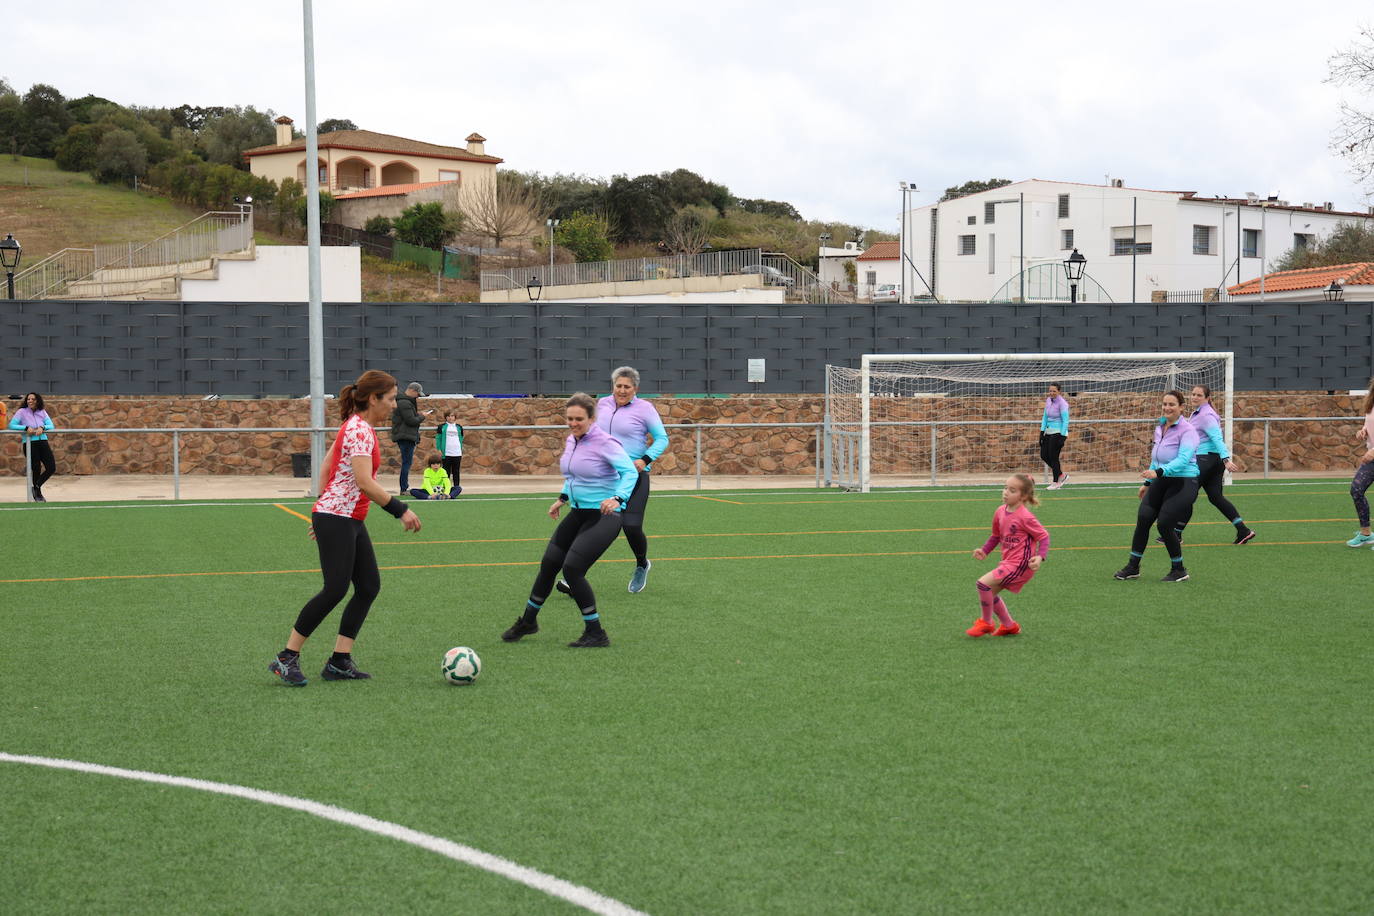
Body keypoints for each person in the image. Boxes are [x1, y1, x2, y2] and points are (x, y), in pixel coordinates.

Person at [269, 370, 422, 686]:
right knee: (335, 588)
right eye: (391, 399)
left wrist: (321, 512)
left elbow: (327, 467)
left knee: (368, 587)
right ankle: (286, 657)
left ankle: (339, 661)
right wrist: (400, 510)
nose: (395, 405)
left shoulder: (356, 427)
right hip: (339, 517)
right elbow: (365, 482)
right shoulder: (359, 430)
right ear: (373, 398)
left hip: (344, 517)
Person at [502, 393, 638, 649]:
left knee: (573, 568)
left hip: (604, 516)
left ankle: (596, 632)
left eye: (579, 419)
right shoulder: (571, 440)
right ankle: (528, 622)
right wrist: (562, 497)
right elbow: (574, 474)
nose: (573, 423)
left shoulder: (605, 442)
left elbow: (629, 471)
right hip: (577, 513)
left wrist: (618, 498)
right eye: (569, 418)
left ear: (591, 418)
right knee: (549, 563)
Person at [558, 366, 669, 595]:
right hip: (605, 476)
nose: (622, 390)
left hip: (634, 476)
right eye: (618, 385)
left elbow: (662, 438)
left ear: (635, 388)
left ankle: (641, 564)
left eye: (627, 386)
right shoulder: (602, 405)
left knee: (631, 526)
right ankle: (574, 575)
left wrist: (644, 459)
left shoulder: (645, 409)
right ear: (613, 386)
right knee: (594, 526)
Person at [1114, 390, 1200, 583]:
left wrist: (1158, 473)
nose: (1167, 408)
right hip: (1161, 480)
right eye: (1165, 404)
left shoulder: (1188, 430)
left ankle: (1179, 569)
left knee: (1164, 524)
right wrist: (1148, 482)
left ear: (1181, 407)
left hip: (1184, 482)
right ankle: (1132, 567)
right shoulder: (1160, 426)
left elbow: (1184, 459)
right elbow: (1157, 458)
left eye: (1172, 404)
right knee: (1144, 518)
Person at [1164, 386, 1255, 546]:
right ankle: (1243, 530)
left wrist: (1227, 459)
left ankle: (1176, 534)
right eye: (1193, 394)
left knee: (1186, 495)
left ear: (1207, 398)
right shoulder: (1199, 413)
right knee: (1216, 497)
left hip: (1205, 461)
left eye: (1199, 395)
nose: (1195, 397)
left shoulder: (1206, 415)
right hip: (1212, 462)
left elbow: (1217, 438)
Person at [967, 473, 1050, 637]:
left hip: (1021, 565)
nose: (1006, 492)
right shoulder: (999, 511)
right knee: (989, 593)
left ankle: (987, 622)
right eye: (1005, 488)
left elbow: (1044, 536)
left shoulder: (1025, 516)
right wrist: (985, 550)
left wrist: (1040, 556)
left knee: (982, 584)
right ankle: (1009, 625)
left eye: (1012, 490)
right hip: (1008, 563)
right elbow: (996, 536)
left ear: (1023, 496)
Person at [9, 392, 56, 502]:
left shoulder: (42, 412)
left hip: (43, 442)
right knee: (36, 468)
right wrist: (25, 428)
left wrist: (42, 427)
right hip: (30, 443)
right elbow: (12, 425)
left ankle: (36, 487)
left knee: (51, 467)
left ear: (37, 401)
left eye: (33, 399)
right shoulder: (22, 412)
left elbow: (51, 425)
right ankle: (38, 494)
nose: (30, 401)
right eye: (28, 399)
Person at [390, 381, 430, 495]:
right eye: (417, 394)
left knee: (406, 462)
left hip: (405, 435)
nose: (417, 396)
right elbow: (411, 421)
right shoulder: (405, 403)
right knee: (406, 463)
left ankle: (404, 487)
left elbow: (409, 417)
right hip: (406, 436)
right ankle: (404, 488)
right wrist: (422, 416)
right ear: (412, 391)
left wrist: (418, 414)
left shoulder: (404, 402)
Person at [1347, 382, 1374, 548]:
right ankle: (1366, 533)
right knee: (1356, 490)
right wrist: (1363, 431)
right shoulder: (1370, 401)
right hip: (1371, 457)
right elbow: (1369, 424)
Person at [1039, 383, 1070, 489]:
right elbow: (1045, 417)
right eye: (1050, 391)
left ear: (1059, 392)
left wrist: (1062, 436)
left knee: (1053, 457)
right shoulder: (1048, 400)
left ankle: (1056, 482)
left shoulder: (1063, 403)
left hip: (1058, 432)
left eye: (1054, 391)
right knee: (1044, 455)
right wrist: (1041, 432)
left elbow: (1066, 421)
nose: (1052, 393)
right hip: (1048, 431)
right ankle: (1061, 475)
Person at [435, 409, 464, 495]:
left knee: (456, 471)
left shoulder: (459, 427)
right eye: (448, 416)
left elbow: (461, 438)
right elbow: (438, 438)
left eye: (452, 416)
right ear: (445, 417)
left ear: (455, 417)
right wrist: (439, 449)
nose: (450, 418)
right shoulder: (441, 427)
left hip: (457, 452)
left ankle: (456, 488)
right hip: (446, 453)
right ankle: (446, 488)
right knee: (446, 471)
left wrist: (460, 448)